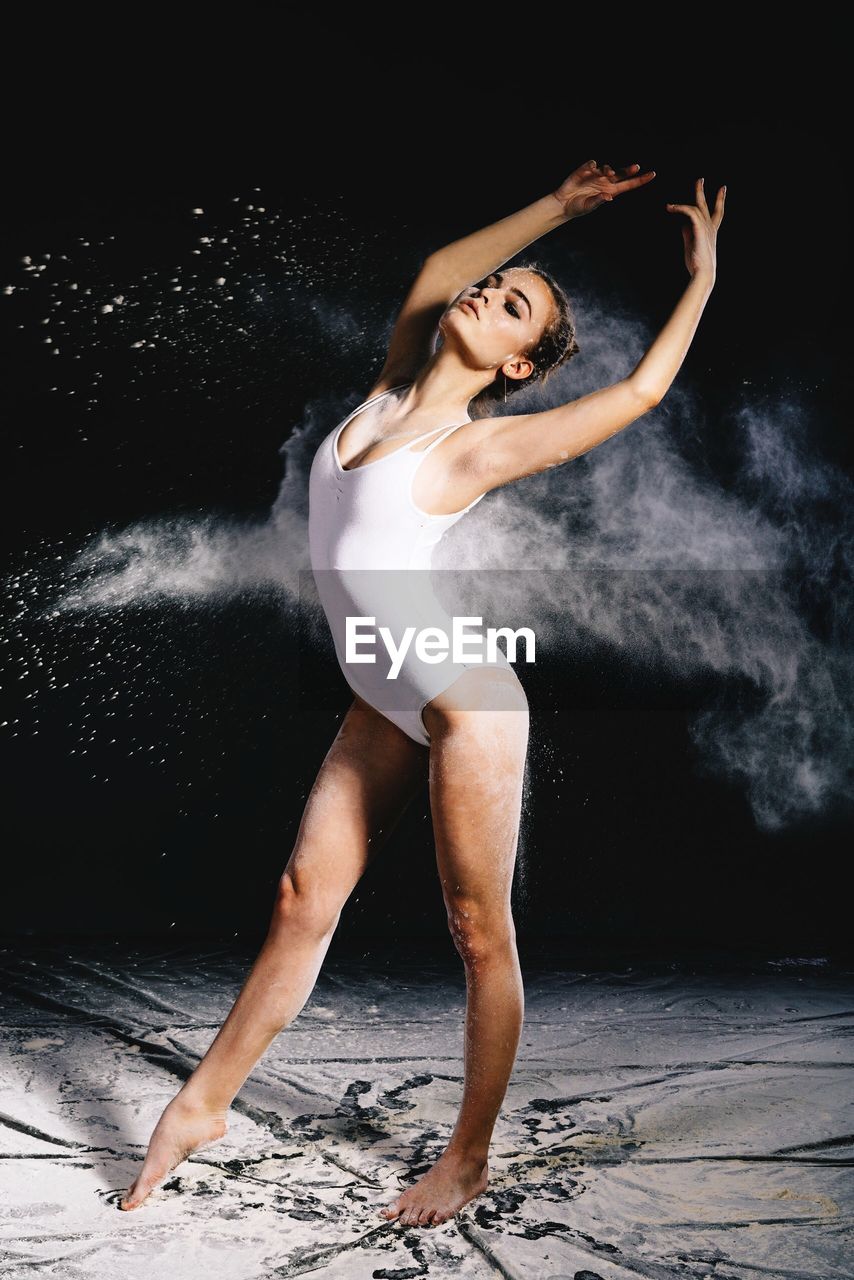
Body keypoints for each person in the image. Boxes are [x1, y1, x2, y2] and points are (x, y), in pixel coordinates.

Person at [120, 160, 725, 1226]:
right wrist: (559, 209)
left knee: (474, 930)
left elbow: (637, 394)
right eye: (497, 284)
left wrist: (701, 277)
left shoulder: (475, 446)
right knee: (301, 899)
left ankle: (467, 1155)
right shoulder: (391, 385)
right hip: (376, 684)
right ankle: (204, 1103)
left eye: (513, 305)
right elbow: (438, 267)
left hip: (461, 699)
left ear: (517, 363)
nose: (487, 293)